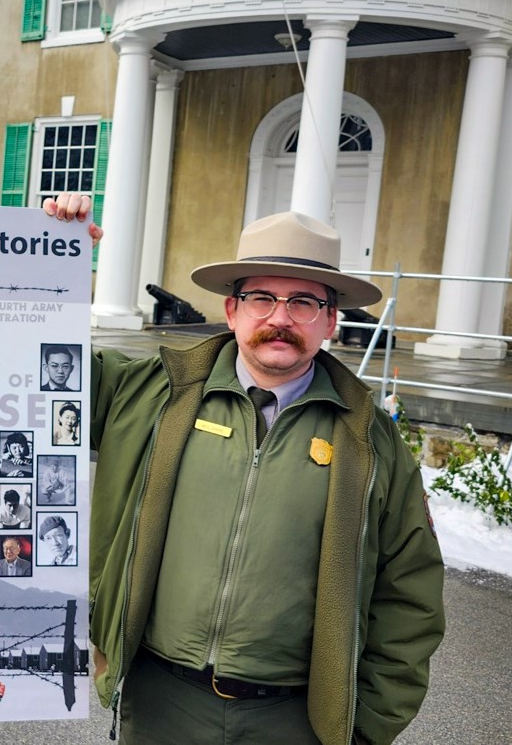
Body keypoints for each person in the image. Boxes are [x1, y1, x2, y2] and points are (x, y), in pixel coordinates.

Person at [55, 207, 445, 745]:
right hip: (161, 705)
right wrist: (53, 260)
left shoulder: (372, 442)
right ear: (233, 309)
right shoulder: (149, 393)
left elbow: (410, 592)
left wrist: (365, 726)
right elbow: (34, 373)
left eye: (305, 302)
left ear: (331, 321)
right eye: (263, 298)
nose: (280, 318)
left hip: (291, 721)